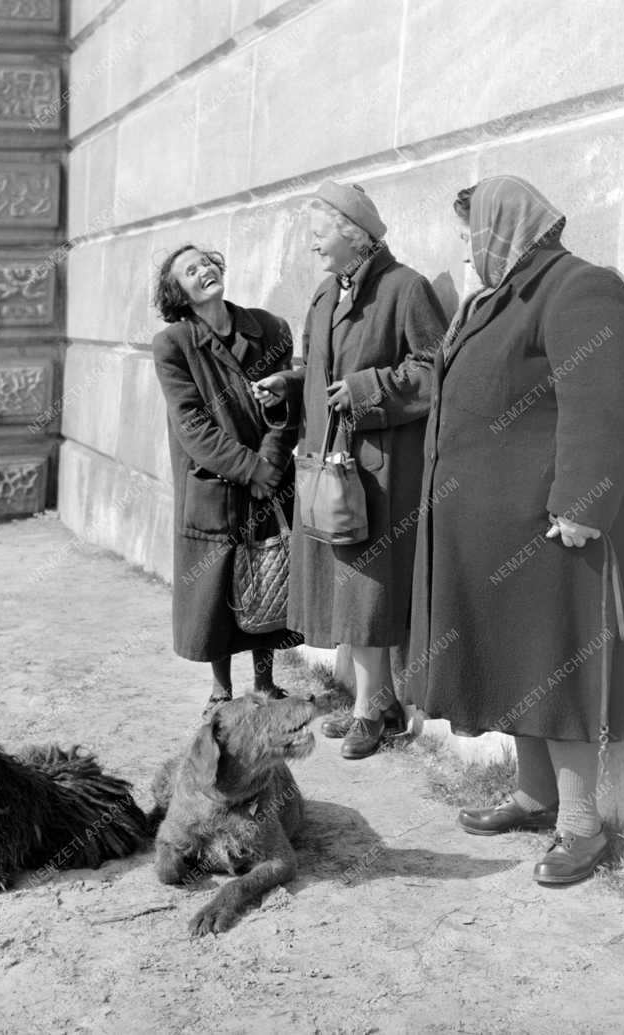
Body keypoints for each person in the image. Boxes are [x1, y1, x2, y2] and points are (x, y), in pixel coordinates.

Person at [407, 175, 624, 884]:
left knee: (555, 665)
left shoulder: (579, 287)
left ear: (501, 227)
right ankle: (535, 795)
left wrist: (580, 503)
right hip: (495, 529)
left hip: (549, 526)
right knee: (518, 662)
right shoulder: (501, 295)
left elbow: (600, 403)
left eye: (467, 229)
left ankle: (580, 825)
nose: (462, 245)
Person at [254, 181, 447, 760]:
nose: (312, 247)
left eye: (317, 236)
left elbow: (436, 370)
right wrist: (285, 387)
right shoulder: (323, 295)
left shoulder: (404, 288)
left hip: (376, 470)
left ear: (351, 234)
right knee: (348, 588)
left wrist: (367, 389)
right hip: (326, 465)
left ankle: (372, 710)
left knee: (366, 587)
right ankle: (378, 699)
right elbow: (312, 366)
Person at [152, 244, 302, 715]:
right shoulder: (174, 344)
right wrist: (250, 469)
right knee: (214, 587)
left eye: (208, 263)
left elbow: (289, 404)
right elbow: (191, 424)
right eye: (191, 271)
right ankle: (221, 687)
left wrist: (271, 465)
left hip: (271, 476)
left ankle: (265, 680)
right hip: (213, 482)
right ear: (179, 292)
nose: (205, 272)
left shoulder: (271, 328)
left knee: (270, 570)